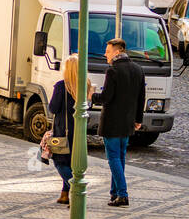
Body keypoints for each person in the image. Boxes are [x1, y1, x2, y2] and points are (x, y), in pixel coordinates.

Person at [98, 37, 145, 208]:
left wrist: (90, 95)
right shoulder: (138, 69)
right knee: (120, 158)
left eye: (108, 51)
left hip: (112, 122)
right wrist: (138, 119)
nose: (105, 55)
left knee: (113, 159)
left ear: (117, 52)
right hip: (127, 123)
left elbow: (106, 98)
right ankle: (115, 192)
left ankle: (123, 194)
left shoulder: (113, 71)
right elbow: (141, 98)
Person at [48, 55, 94, 205]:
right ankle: (64, 195)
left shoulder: (62, 86)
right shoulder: (86, 85)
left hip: (63, 130)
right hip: (79, 131)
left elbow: (53, 108)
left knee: (60, 162)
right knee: (72, 163)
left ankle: (76, 191)